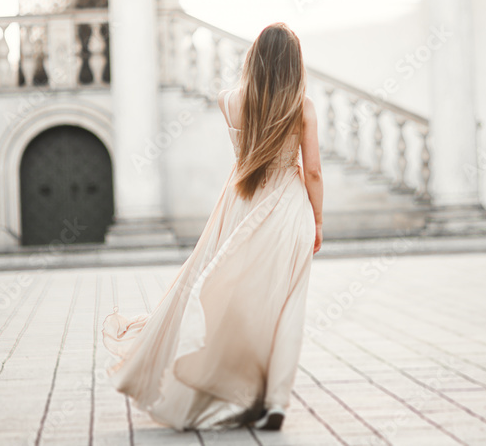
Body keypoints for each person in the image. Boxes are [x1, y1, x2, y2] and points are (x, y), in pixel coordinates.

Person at [101, 22, 324, 432]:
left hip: (240, 204)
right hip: (290, 209)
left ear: (254, 57)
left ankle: (229, 385)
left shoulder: (229, 101)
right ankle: (274, 402)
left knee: (229, 297)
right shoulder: (303, 107)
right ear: (294, 63)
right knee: (285, 308)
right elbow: (311, 172)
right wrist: (319, 221)